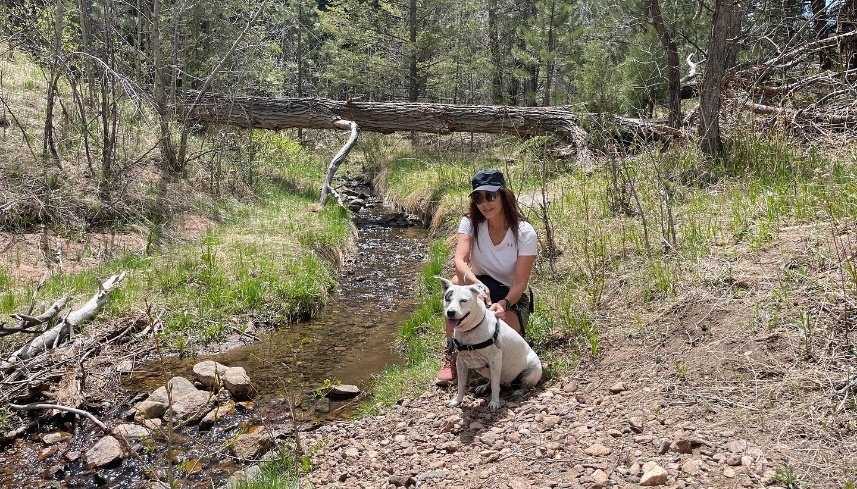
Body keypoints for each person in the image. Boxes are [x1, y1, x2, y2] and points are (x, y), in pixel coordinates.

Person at [436, 168, 538, 386]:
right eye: (478, 197)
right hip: (479, 284)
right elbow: (460, 261)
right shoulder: (470, 223)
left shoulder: (524, 232)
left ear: (503, 195)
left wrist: (503, 303)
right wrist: (477, 286)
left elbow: (520, 282)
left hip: (511, 294)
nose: (485, 203)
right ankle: (452, 354)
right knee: (455, 287)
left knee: (500, 335)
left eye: (491, 195)